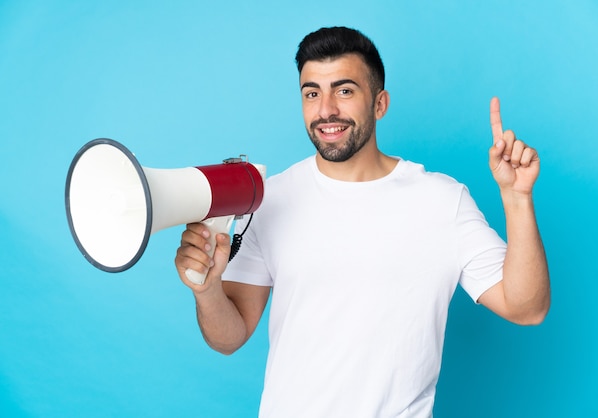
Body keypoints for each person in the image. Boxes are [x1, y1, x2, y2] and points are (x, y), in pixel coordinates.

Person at [174, 26, 550, 418]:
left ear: (380, 103)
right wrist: (207, 289)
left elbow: (527, 308)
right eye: (312, 93)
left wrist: (518, 198)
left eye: (345, 90)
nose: (326, 110)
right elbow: (229, 337)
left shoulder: (442, 201)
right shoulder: (271, 199)